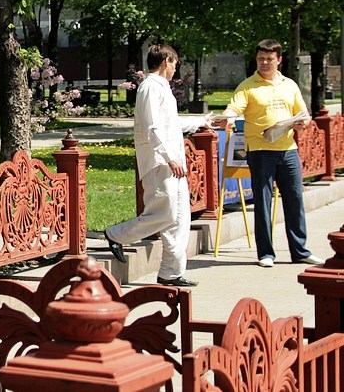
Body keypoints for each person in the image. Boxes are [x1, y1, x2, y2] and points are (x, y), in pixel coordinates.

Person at [103, 44, 209, 287]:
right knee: (165, 213)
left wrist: (204, 121)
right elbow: (152, 127)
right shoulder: (150, 87)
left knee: (180, 219)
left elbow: (171, 124)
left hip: (173, 163)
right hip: (159, 162)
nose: (175, 69)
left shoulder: (162, 88)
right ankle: (116, 234)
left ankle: (171, 273)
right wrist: (169, 157)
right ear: (166, 61)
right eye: (174, 64)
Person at [217, 39, 323, 268]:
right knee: (263, 202)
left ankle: (300, 251)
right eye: (260, 59)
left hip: (288, 150)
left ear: (279, 60)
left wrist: (302, 123)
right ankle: (266, 253)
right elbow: (234, 108)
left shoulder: (289, 84)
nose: (264, 63)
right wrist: (227, 118)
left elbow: (303, 113)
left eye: (269, 59)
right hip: (260, 151)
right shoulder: (247, 85)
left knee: (295, 200)